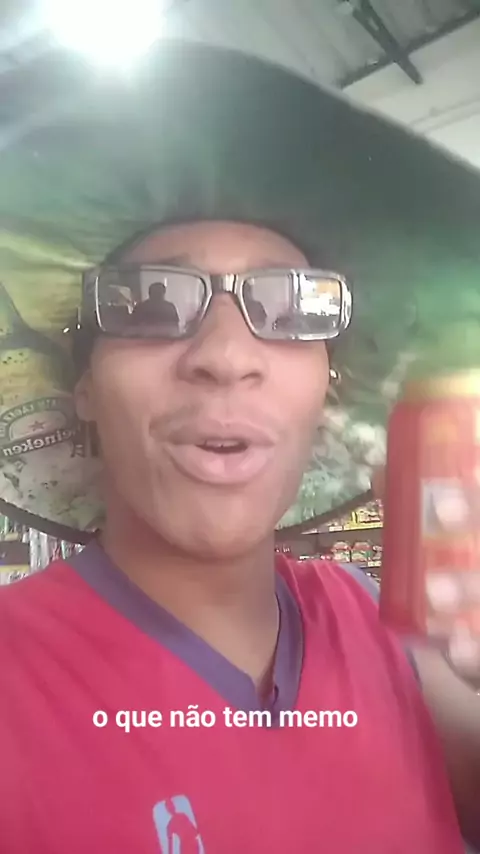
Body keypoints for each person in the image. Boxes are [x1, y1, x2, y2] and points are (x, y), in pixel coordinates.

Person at [0, 42, 479, 854]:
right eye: (150, 303)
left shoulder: (383, 627)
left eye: (292, 308)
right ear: (83, 386)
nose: (226, 355)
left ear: (327, 389)